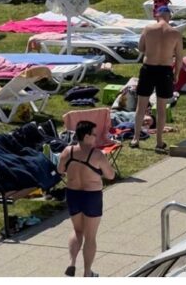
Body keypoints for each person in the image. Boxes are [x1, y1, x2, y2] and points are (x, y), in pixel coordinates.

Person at [59, 118, 108, 277]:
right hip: (91, 196)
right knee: (90, 236)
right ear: (86, 136)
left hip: (73, 194)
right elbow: (111, 175)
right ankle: (87, 272)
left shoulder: (68, 151)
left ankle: (72, 262)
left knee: (77, 230)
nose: (96, 137)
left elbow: (60, 169)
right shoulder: (97, 155)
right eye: (94, 134)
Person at [135, 7, 184, 151]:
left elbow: (140, 48)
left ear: (157, 16)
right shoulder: (175, 33)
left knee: (141, 106)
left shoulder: (148, 29)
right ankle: (159, 142)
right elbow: (179, 57)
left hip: (148, 68)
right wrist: (176, 74)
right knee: (161, 108)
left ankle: (135, 139)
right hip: (165, 70)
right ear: (169, 17)